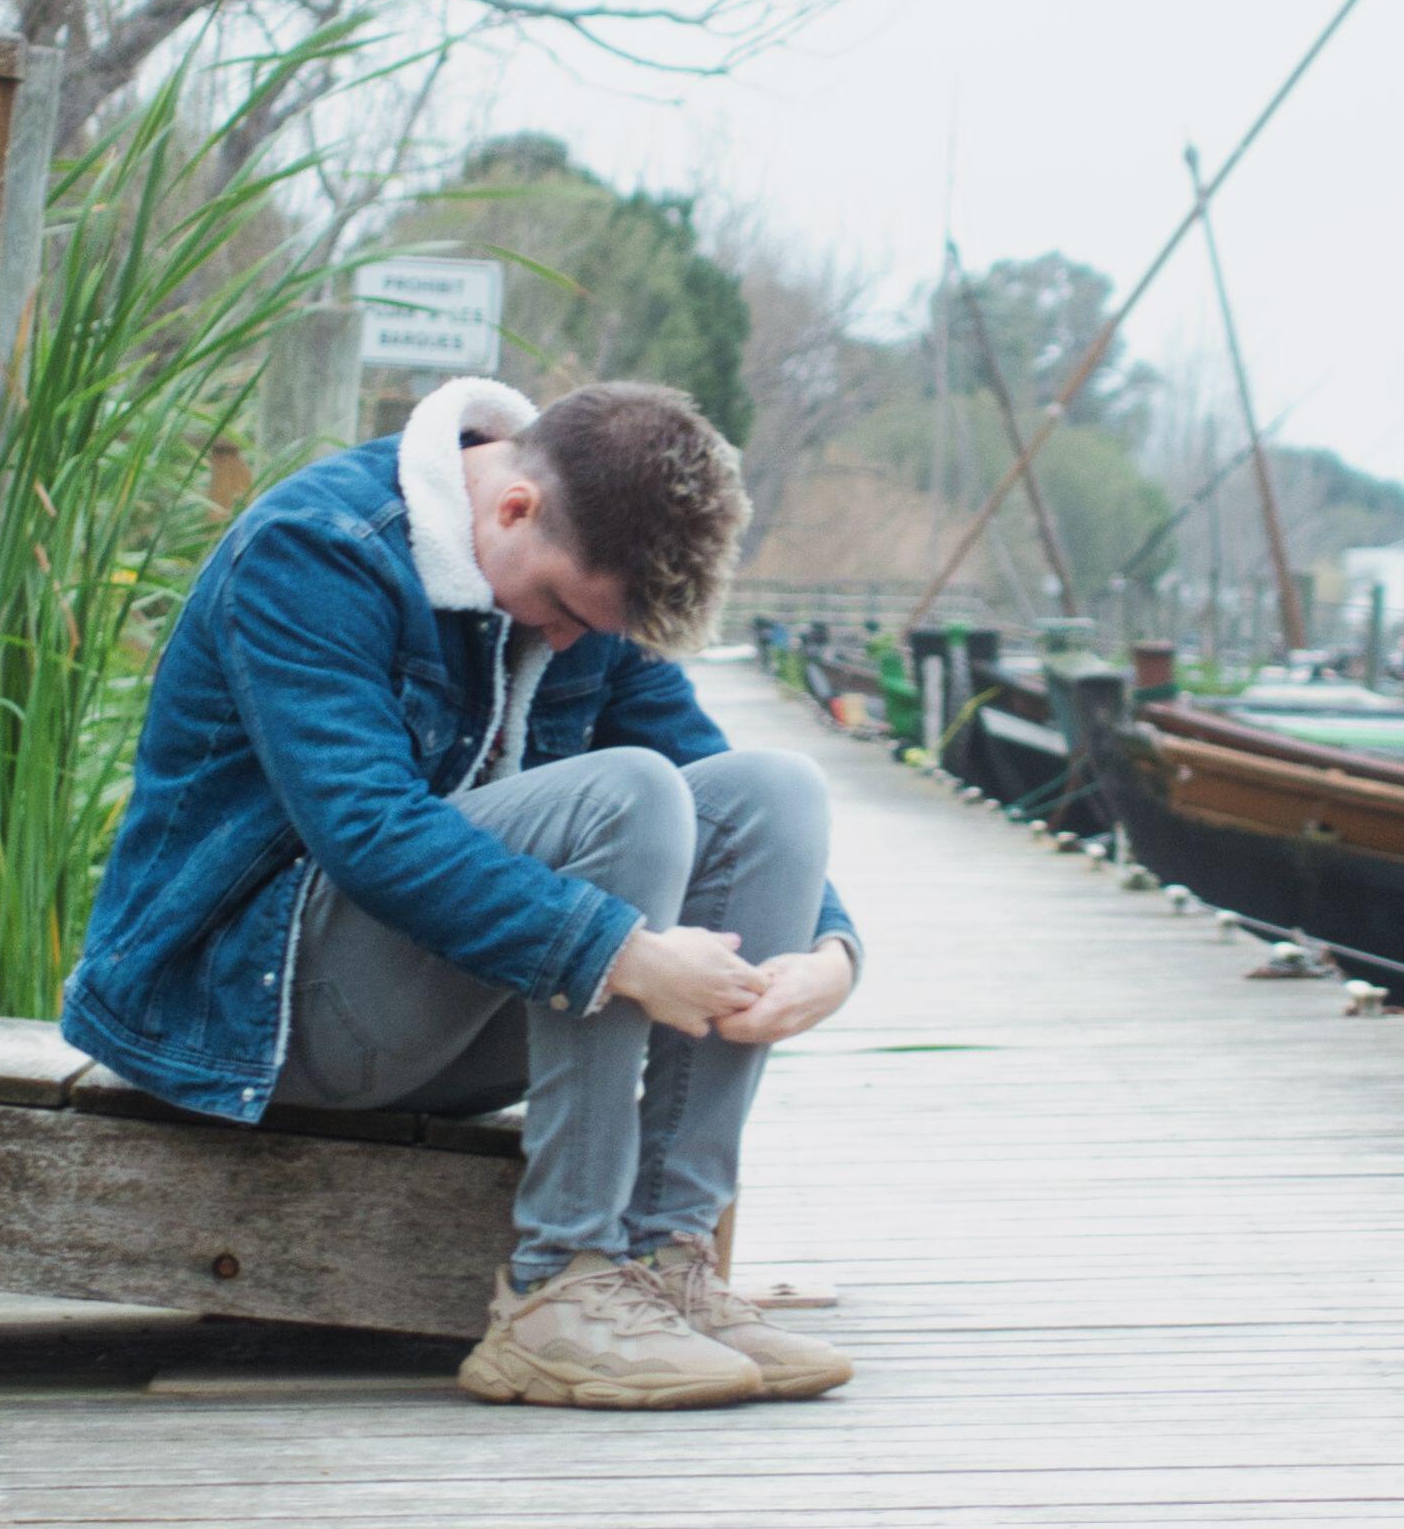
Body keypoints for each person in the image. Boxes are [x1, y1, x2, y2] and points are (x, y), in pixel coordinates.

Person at [61, 376, 862, 1407]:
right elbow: (369, 832)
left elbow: (710, 772)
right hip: (256, 1017)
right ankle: (555, 1289)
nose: (571, 641)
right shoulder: (317, 549)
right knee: (626, 795)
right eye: (565, 611)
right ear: (513, 506)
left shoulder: (582, 592)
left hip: (446, 1010)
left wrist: (832, 954)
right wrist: (622, 952)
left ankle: (667, 1261)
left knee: (772, 793)